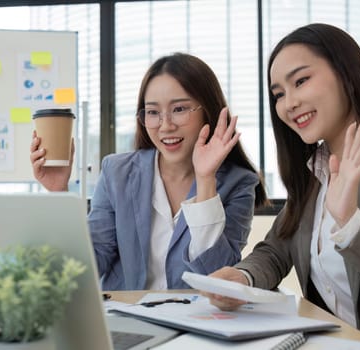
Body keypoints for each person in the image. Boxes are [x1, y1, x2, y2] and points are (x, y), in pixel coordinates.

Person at [205, 23, 360, 350]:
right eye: (278, 94)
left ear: (346, 74)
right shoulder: (314, 172)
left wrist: (353, 225)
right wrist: (242, 278)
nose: (289, 103)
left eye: (300, 81)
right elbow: (277, 249)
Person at [30, 52, 268, 291]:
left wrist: (206, 180)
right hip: (127, 319)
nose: (166, 126)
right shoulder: (117, 173)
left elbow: (216, 278)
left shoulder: (239, 183)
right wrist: (59, 192)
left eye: (179, 109)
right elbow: (86, 266)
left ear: (208, 109)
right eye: (153, 112)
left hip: (197, 322)